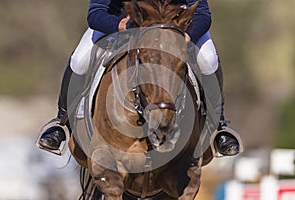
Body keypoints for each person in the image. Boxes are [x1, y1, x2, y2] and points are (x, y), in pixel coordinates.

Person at [38, 0, 241, 156]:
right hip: (123, 26)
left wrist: (186, 35)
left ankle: (218, 128)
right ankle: (61, 124)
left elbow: (203, 13)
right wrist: (122, 26)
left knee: (209, 60)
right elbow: (95, 14)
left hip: (176, 28)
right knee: (80, 60)